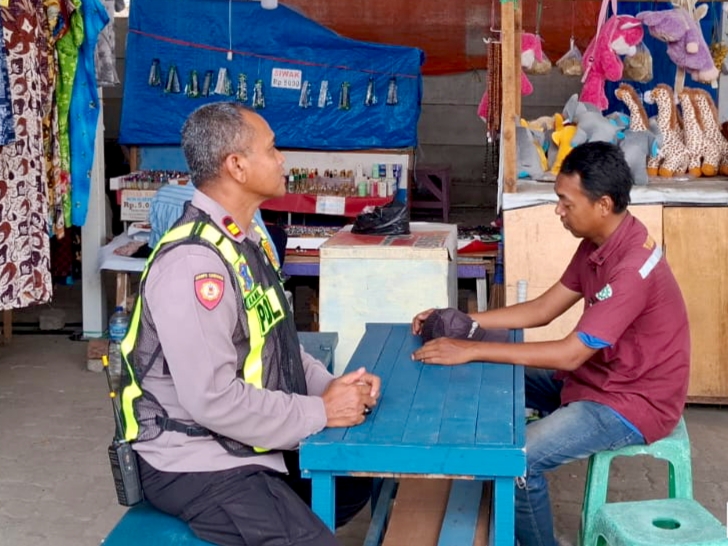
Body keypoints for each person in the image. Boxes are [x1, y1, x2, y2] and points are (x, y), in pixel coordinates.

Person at [118, 102, 380, 546]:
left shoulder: (241, 240)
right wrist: (320, 411)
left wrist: (335, 389)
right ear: (237, 166)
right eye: (272, 149)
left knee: (360, 478)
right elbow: (213, 400)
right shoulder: (194, 263)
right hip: (197, 457)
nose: (282, 160)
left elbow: (278, 344)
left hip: (243, 437)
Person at [411, 141, 690, 546]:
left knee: (520, 460)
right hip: (598, 378)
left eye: (565, 202)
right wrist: (462, 321)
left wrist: (471, 347)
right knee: (490, 376)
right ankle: (486, 498)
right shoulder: (598, 243)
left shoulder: (631, 269)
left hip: (632, 401)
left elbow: (570, 353)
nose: (559, 211)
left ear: (603, 204)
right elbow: (543, 309)